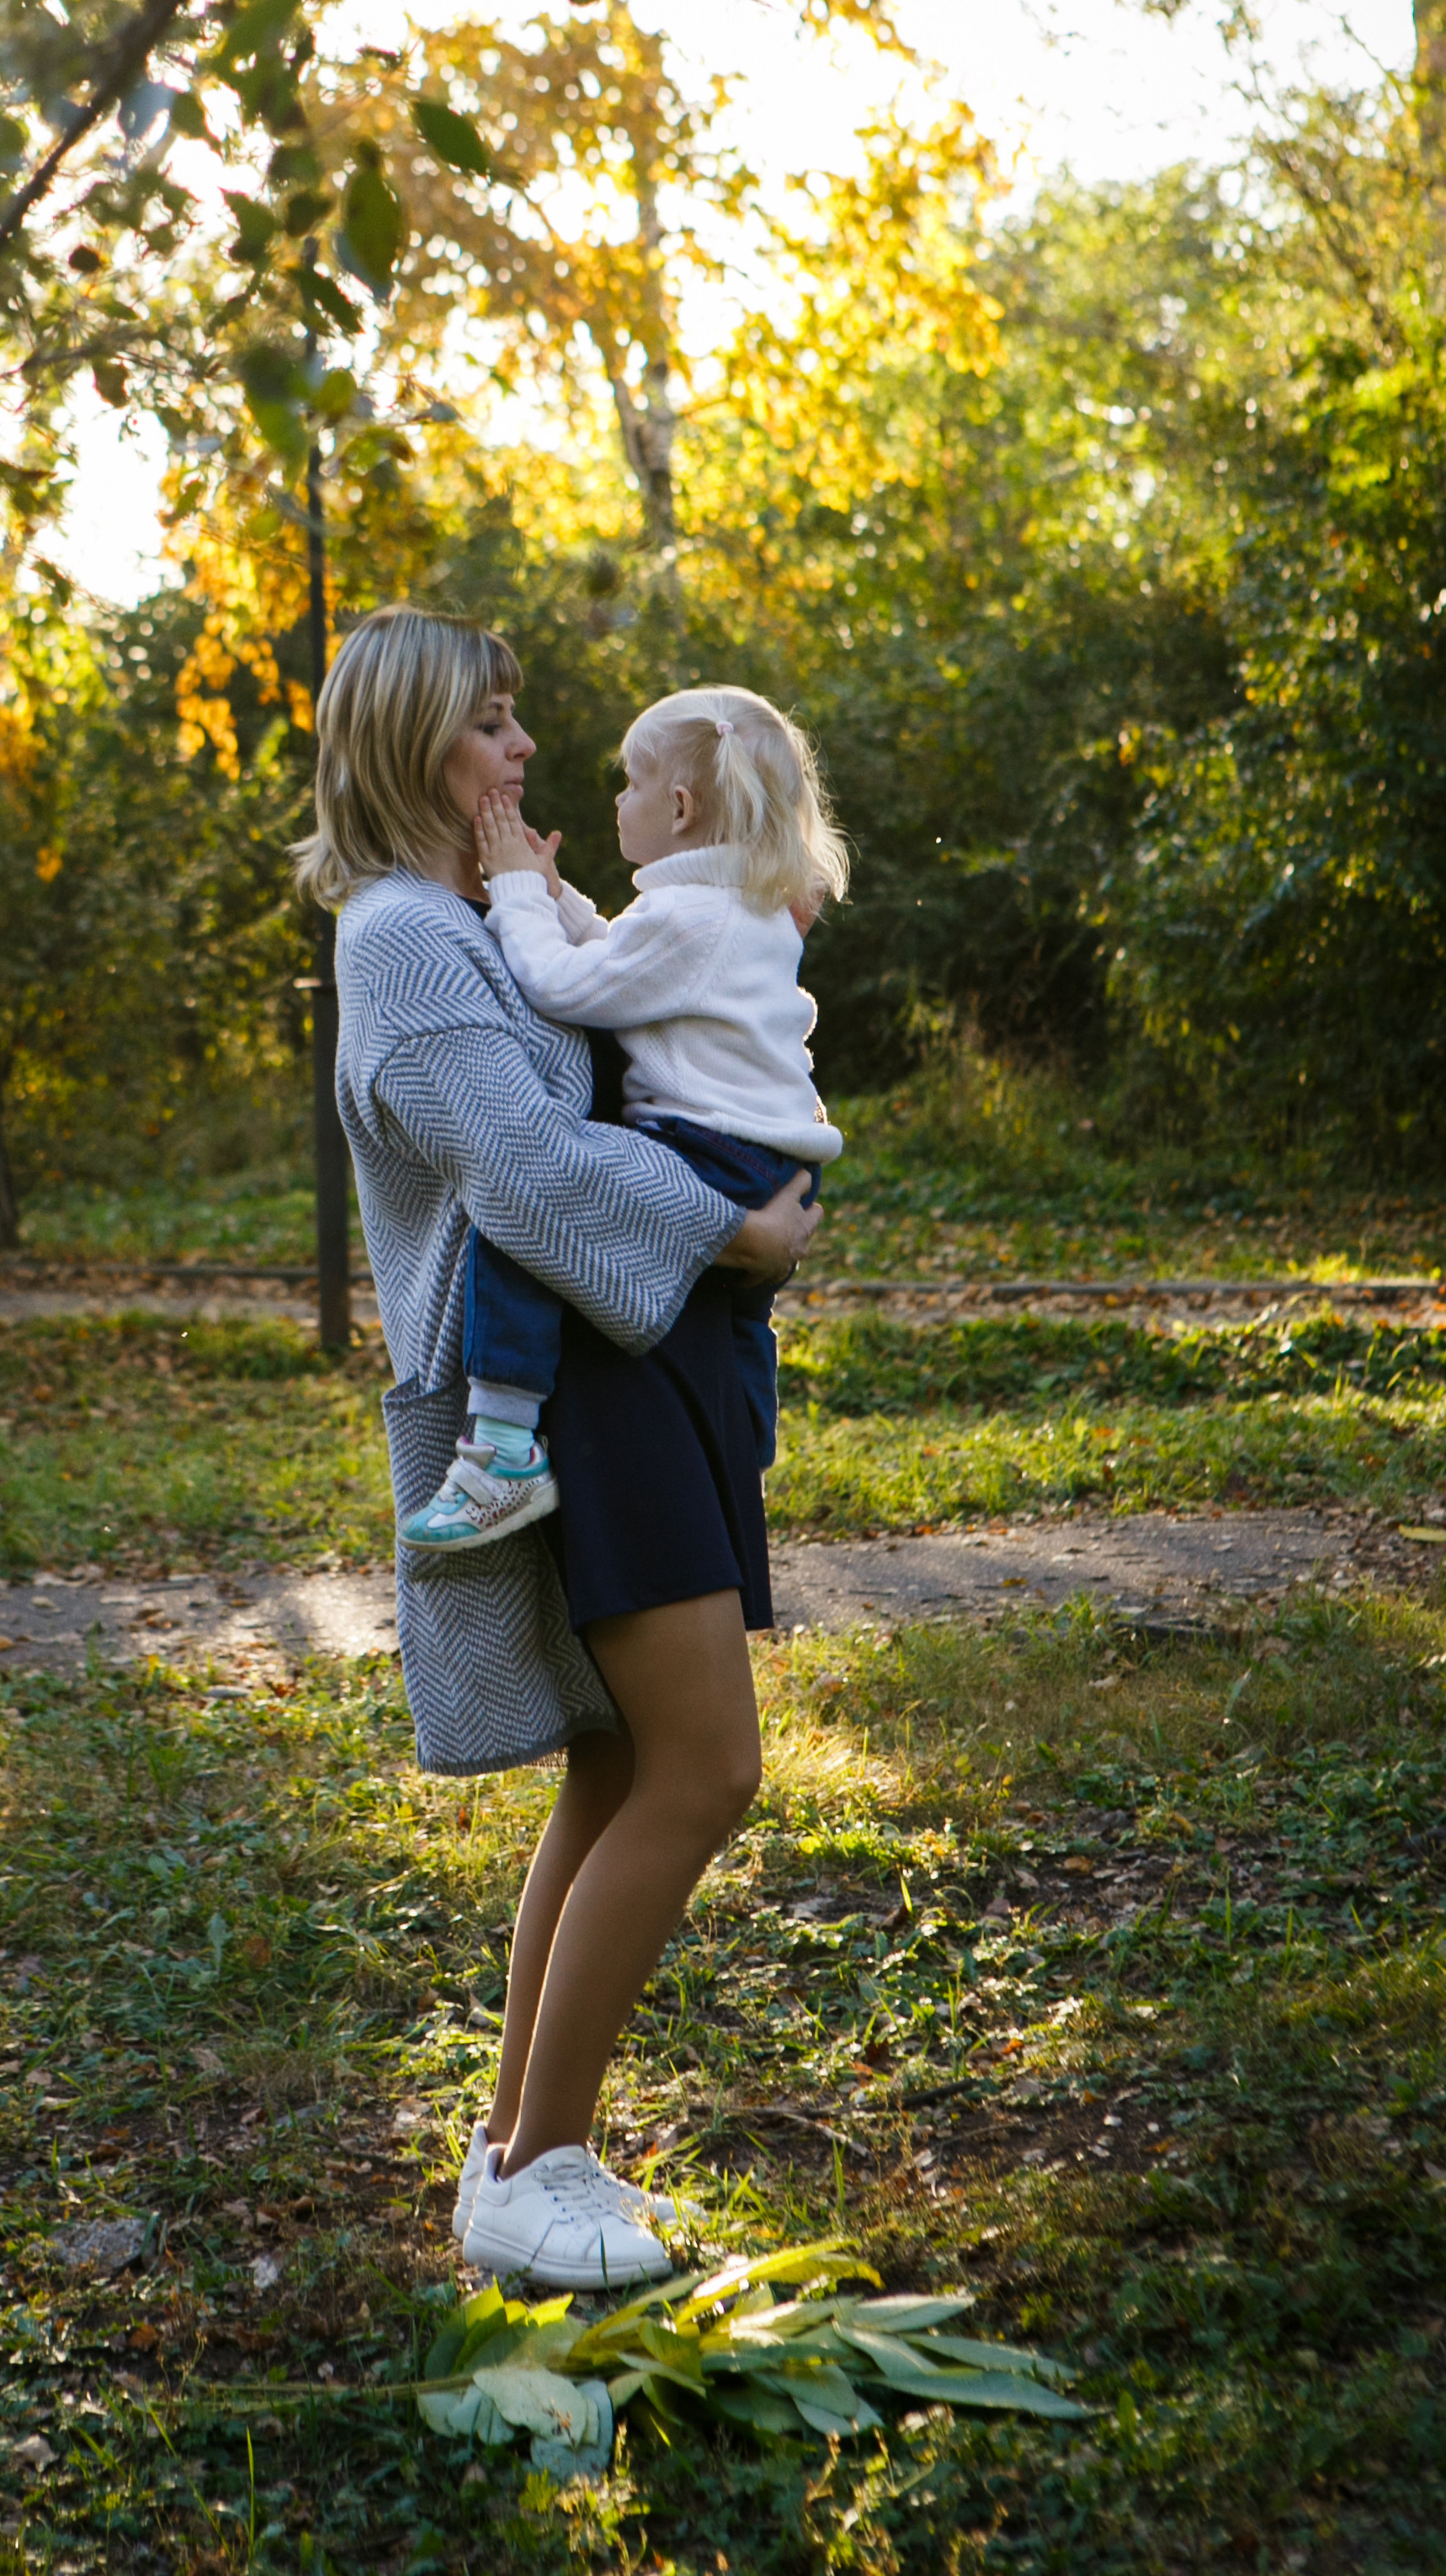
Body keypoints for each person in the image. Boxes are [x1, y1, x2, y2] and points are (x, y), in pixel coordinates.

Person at [295, 604, 824, 2293]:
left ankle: (518, 2151)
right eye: (491, 725)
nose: (523, 754)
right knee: (700, 1770)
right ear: (404, 750)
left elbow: (647, 1050)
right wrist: (735, 1230)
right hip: (580, 1387)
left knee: (617, 1766)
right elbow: (520, 1173)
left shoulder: (477, 920)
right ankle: (542, 2160)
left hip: (638, 1355)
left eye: (522, 722)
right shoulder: (397, 939)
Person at [398, 684, 847, 1552]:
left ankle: (500, 1453)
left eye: (630, 784)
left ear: (679, 808)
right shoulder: (729, 905)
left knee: (526, 1216)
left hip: (707, 1145)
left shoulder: (686, 915)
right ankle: (739, 1456)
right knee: (742, 1319)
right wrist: (556, 896)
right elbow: (626, 961)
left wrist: (519, 899)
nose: (616, 799)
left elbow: (566, 985)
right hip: (773, 1153)